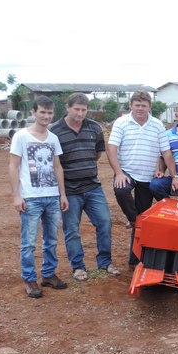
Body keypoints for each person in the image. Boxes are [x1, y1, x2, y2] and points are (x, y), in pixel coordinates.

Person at [106, 90, 178, 266]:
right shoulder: (121, 123)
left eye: (144, 105)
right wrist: (118, 172)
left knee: (143, 216)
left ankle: (134, 261)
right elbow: (111, 149)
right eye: (137, 105)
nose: (140, 108)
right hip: (127, 172)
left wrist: (174, 175)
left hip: (147, 177)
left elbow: (166, 152)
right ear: (131, 105)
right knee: (121, 190)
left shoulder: (157, 125)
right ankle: (132, 219)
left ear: (149, 107)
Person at [51, 93, 119, 281]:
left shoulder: (94, 127)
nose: (80, 113)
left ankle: (105, 263)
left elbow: (97, 153)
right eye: (77, 109)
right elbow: (54, 162)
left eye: (84, 109)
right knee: (72, 229)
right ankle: (78, 267)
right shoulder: (55, 131)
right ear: (68, 107)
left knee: (104, 222)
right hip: (70, 190)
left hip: (93, 187)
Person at [9, 96, 69, 298]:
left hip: (52, 196)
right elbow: (13, 165)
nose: (46, 116)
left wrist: (62, 194)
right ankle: (29, 279)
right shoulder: (21, 137)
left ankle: (49, 274)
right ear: (33, 112)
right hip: (31, 197)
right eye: (42, 112)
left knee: (51, 240)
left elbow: (57, 166)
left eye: (50, 113)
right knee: (29, 242)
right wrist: (16, 195)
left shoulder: (53, 138)